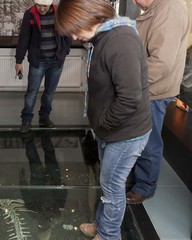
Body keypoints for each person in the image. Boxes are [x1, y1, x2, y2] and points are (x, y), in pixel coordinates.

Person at [55, 0, 152, 239]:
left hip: (126, 133)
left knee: (112, 186)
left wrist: (104, 124)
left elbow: (129, 98)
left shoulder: (120, 41)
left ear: (90, 16)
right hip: (110, 130)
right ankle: (102, 224)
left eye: (75, 29)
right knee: (108, 183)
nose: (75, 36)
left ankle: (108, 235)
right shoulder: (102, 37)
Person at [126, 0, 191, 204]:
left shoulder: (169, 8)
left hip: (152, 90)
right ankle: (137, 179)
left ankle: (145, 186)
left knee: (148, 141)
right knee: (138, 138)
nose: (135, 2)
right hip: (146, 87)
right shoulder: (158, 7)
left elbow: (160, 62)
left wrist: (129, 82)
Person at [15, 0, 71, 133]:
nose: (41, 8)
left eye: (44, 6)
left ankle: (44, 117)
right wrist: (19, 61)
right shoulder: (30, 14)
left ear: (50, 3)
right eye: (38, 5)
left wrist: (64, 52)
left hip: (56, 61)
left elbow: (67, 34)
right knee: (31, 92)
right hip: (38, 61)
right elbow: (24, 38)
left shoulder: (59, 13)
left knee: (50, 92)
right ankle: (26, 120)